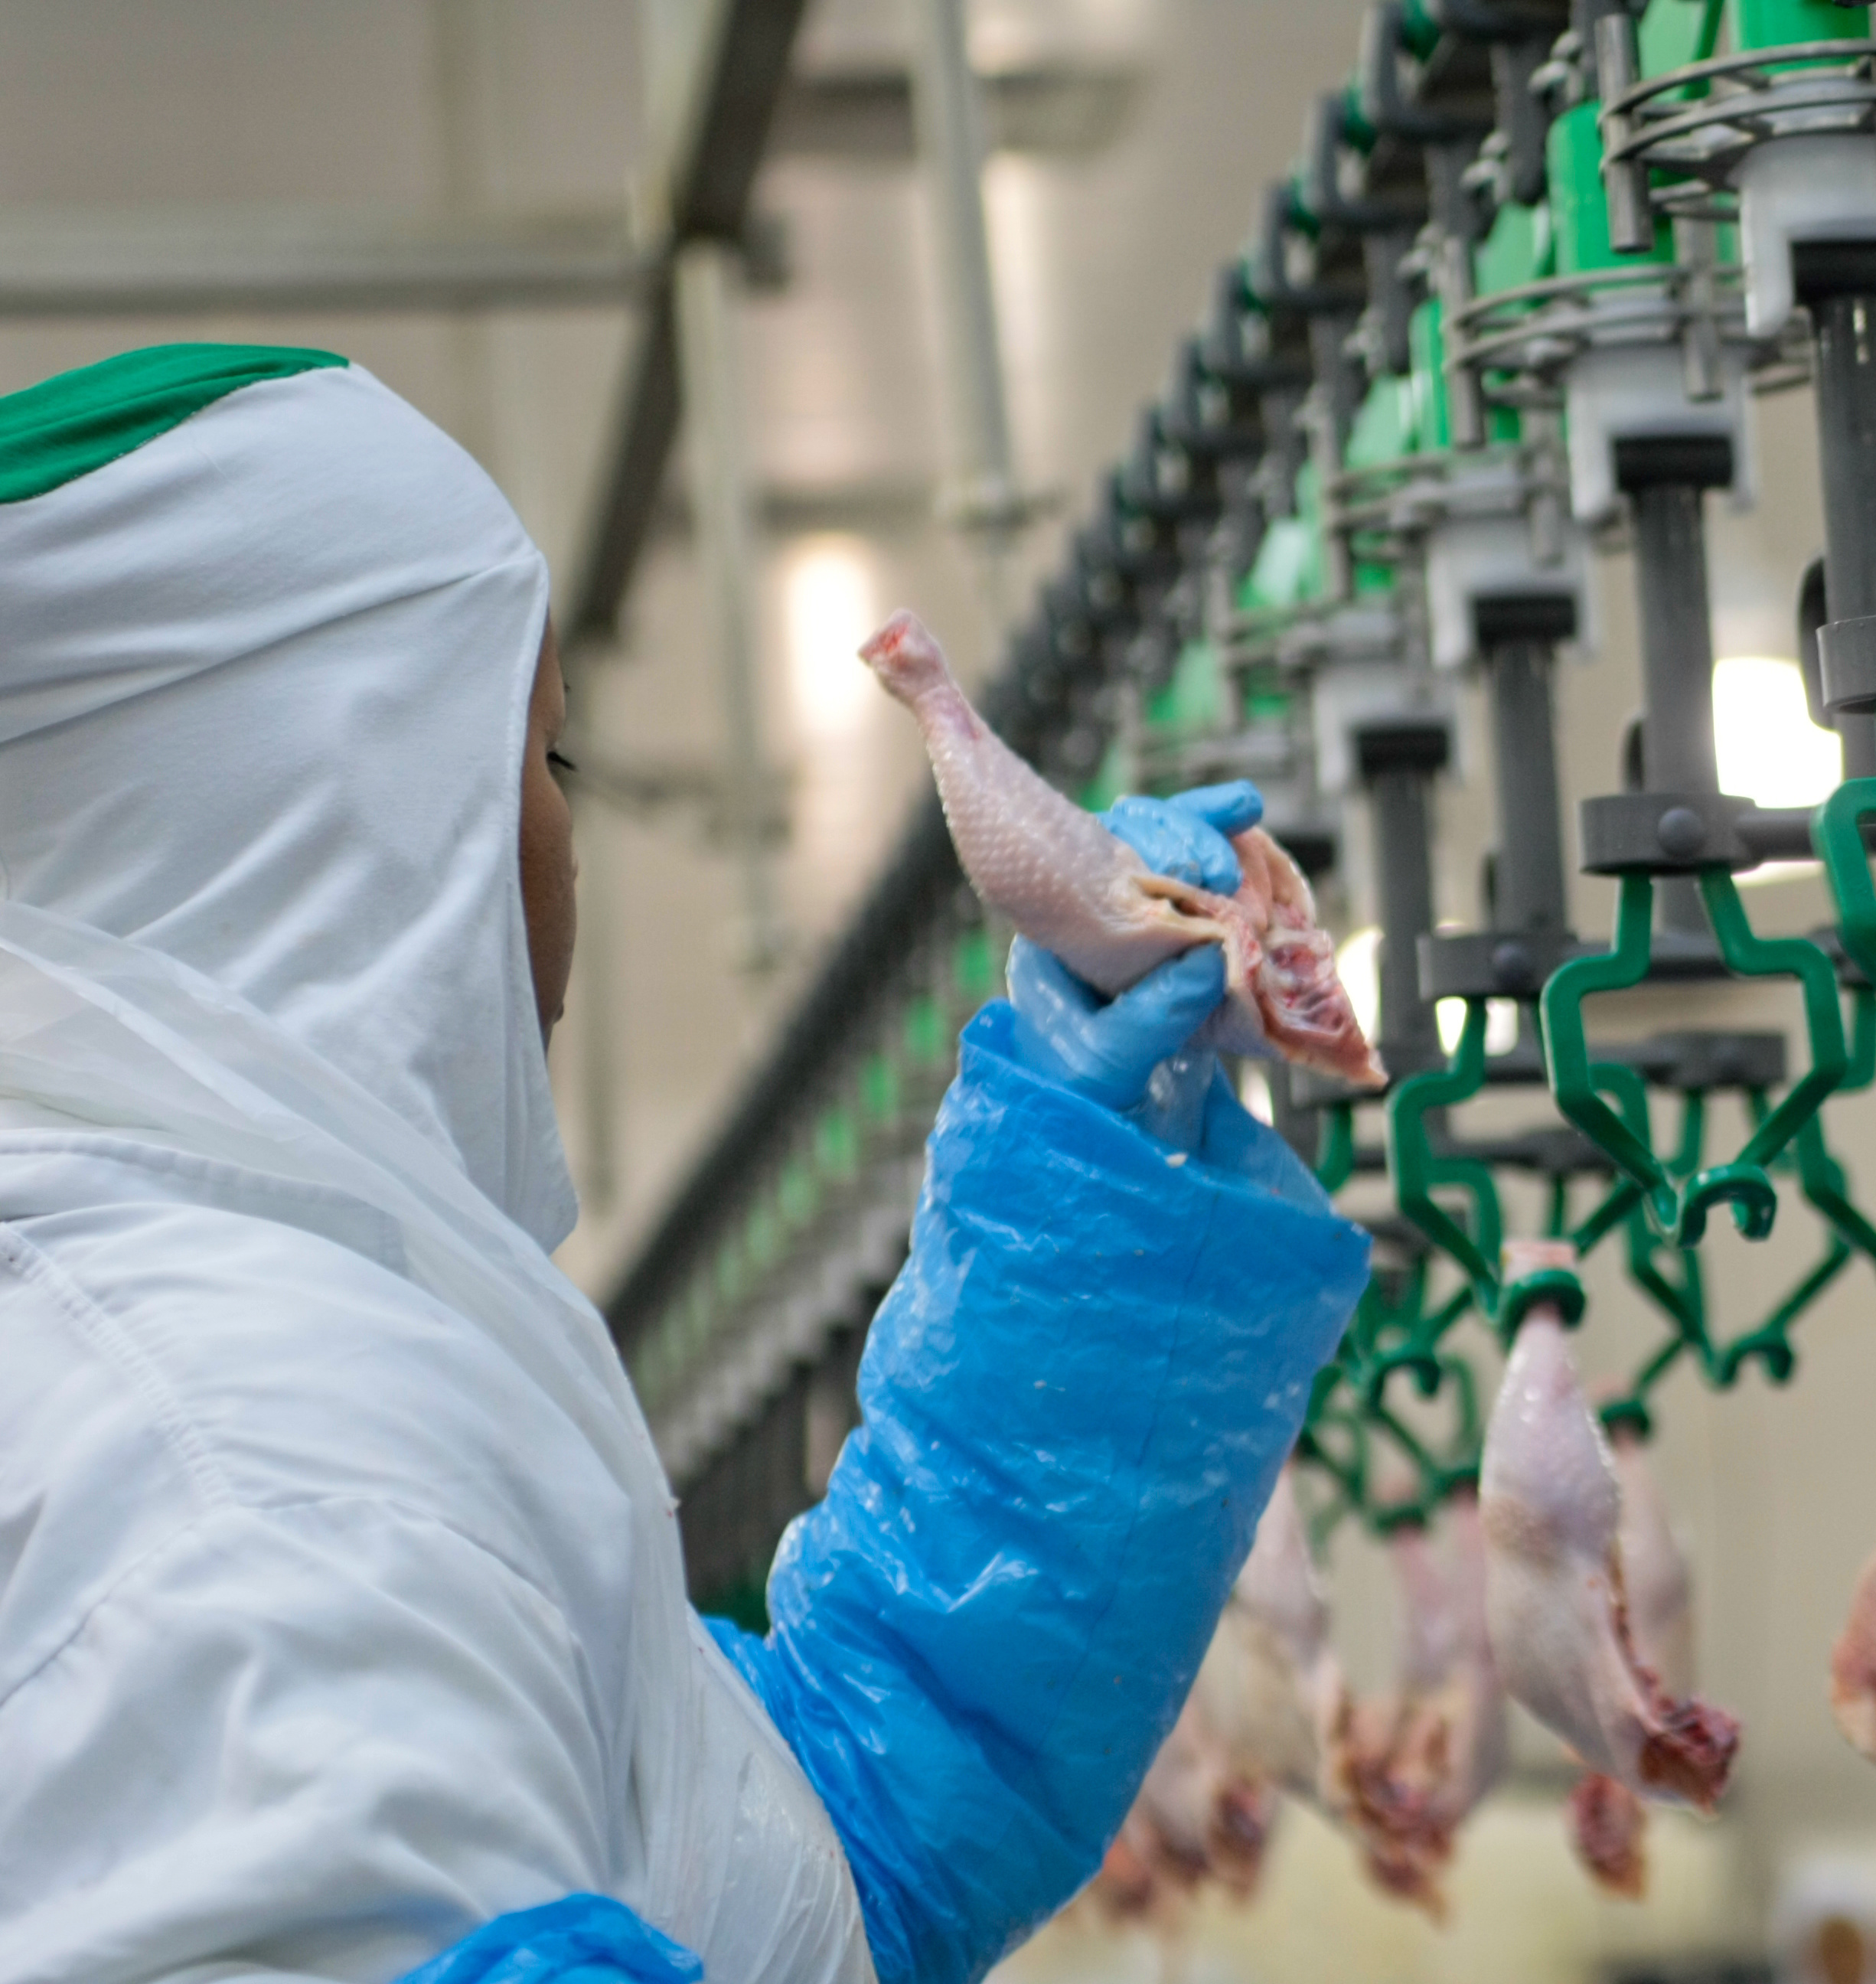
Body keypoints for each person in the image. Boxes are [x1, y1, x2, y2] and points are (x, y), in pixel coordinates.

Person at [0, 344, 1369, 1983]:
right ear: (357, 808)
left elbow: (816, 1847)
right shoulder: (260, 1470)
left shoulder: (226, 1362)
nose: (560, 852)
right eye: (546, 765)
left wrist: (1096, 1178)